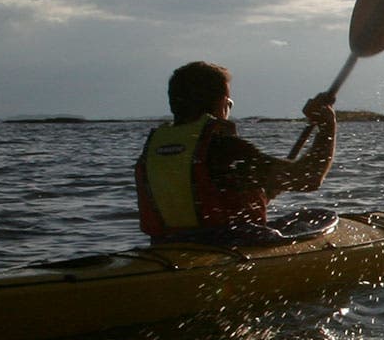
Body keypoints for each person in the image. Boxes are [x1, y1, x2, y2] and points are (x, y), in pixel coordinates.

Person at [135, 61, 338, 243]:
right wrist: (327, 126)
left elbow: (208, 195)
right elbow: (309, 178)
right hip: (230, 246)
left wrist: (263, 192)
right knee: (319, 218)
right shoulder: (225, 148)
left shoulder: (153, 149)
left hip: (166, 246)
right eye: (229, 103)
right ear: (221, 103)